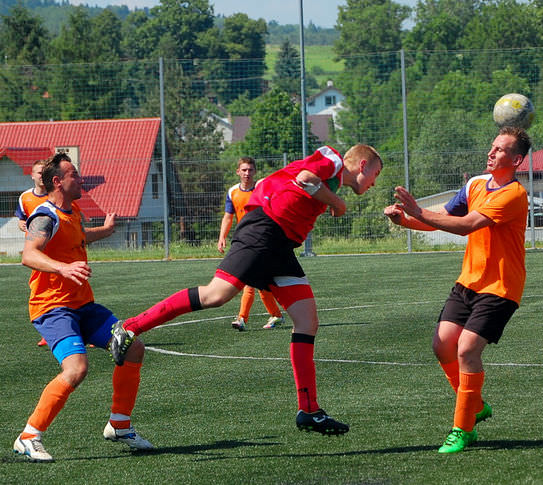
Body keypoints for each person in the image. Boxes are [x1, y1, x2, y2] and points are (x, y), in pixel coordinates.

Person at [110, 144, 383, 435]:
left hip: (280, 243)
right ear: (362, 164)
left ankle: (309, 410)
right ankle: (128, 327)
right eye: (376, 174)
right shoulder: (332, 158)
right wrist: (337, 203)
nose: (375, 182)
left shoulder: (334, 178)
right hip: (265, 229)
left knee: (307, 319)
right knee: (216, 295)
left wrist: (326, 199)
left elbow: (295, 184)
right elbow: (305, 178)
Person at [384, 126, 530, 454]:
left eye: (500, 150)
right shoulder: (475, 184)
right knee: (441, 345)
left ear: (516, 160)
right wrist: (406, 222)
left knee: (466, 350)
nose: (491, 153)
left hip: (501, 287)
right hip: (468, 282)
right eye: (492, 147)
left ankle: (462, 429)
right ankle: (475, 404)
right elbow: (445, 217)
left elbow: (466, 226)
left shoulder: (513, 195)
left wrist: (417, 210)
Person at [13, 153, 153, 462]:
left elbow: (78, 237)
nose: (81, 179)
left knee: (133, 347)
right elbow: (28, 255)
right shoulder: (44, 216)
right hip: (52, 308)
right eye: (74, 175)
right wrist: (62, 269)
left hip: (82, 304)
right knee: (76, 369)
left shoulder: (72, 211)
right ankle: (28, 436)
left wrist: (107, 230)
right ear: (57, 181)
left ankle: (119, 424)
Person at [217, 157, 285, 331]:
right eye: (244, 170)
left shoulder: (262, 188)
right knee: (260, 283)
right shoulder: (233, 192)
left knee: (249, 280)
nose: (247, 173)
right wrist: (222, 236)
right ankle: (276, 315)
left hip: (262, 239)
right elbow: (228, 216)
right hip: (244, 240)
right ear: (238, 172)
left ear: (255, 172)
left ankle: (242, 319)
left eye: (250, 170)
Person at [16, 159, 51, 347]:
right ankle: (48, 332)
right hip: (38, 253)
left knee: (72, 290)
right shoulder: (25, 198)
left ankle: (88, 331)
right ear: (32, 175)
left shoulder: (54, 197)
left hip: (58, 251)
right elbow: (22, 220)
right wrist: (21, 225)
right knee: (40, 291)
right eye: (39, 172)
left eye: (44, 172)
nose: (41, 176)